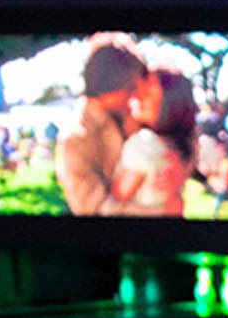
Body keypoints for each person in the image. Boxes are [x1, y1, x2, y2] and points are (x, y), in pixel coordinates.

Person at [57, 36, 145, 215]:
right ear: (111, 86)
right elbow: (92, 208)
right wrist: (162, 210)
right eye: (130, 87)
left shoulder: (129, 118)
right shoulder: (76, 138)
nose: (135, 95)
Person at [112, 70, 198, 216]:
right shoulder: (174, 147)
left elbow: (118, 196)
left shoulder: (144, 143)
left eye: (147, 94)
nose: (136, 96)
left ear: (167, 107)